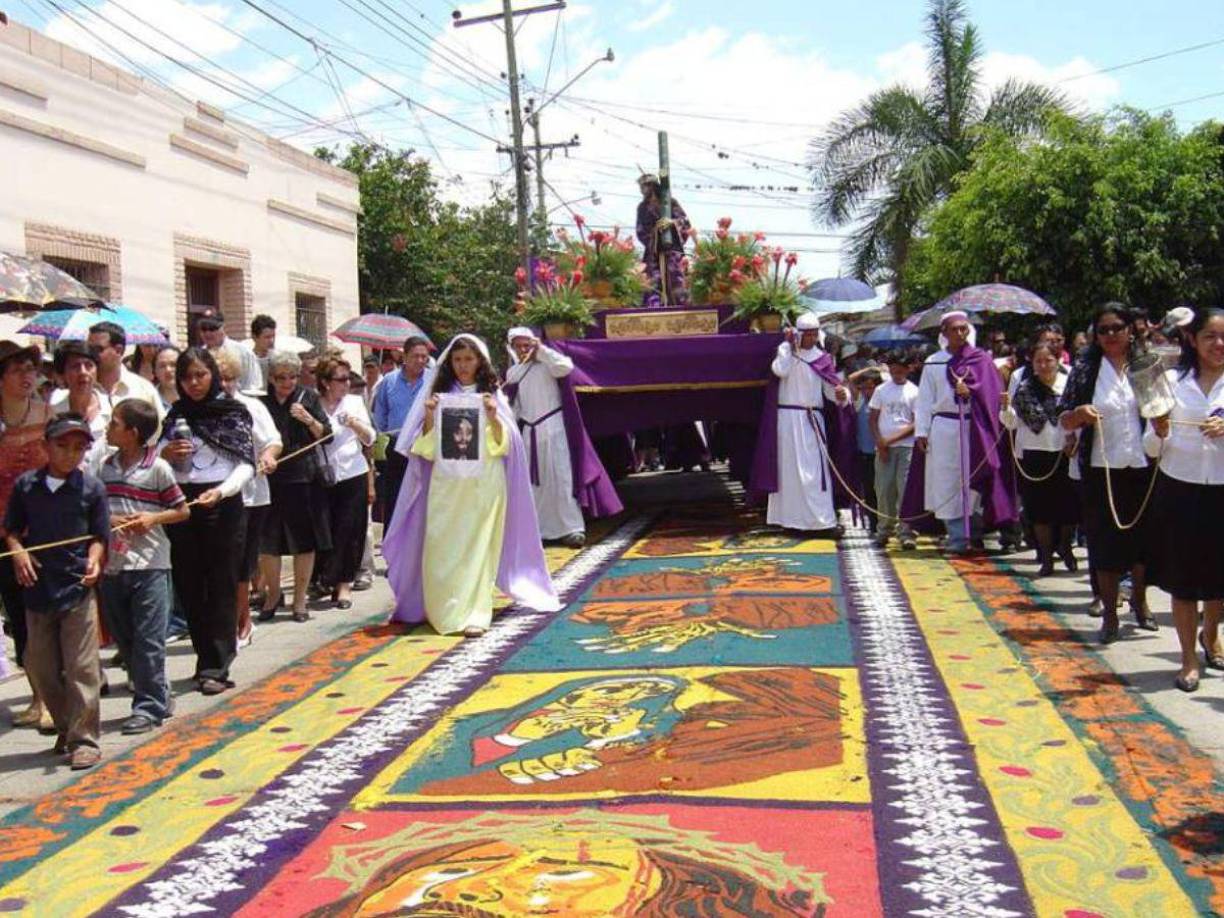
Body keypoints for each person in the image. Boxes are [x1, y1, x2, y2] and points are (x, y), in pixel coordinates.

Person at [382, 334, 559, 636]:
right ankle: (442, 610)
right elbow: (424, 447)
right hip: (446, 486)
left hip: (484, 485)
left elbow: (505, 445)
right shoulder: (438, 395)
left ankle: (476, 612)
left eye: (469, 359)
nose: (463, 366)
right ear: (450, 363)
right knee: (441, 547)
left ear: (480, 362)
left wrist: (491, 417)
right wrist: (428, 414)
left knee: (479, 547)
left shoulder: (491, 395)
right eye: (458, 360)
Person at [4, 413, 110, 769]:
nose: (70, 454)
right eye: (62, 446)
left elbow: (99, 536)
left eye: (79, 448)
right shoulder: (27, 487)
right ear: (46, 447)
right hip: (37, 588)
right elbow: (12, 530)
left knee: (82, 666)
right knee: (42, 665)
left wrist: (94, 559)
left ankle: (84, 738)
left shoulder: (91, 488)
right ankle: (65, 724)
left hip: (76, 586)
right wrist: (19, 552)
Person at [1059, 303, 1157, 643]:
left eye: (1117, 327)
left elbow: (1163, 413)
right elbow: (1064, 418)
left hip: (1144, 462)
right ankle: (1111, 614)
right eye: (1103, 330)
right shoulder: (1085, 370)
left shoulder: (1146, 366)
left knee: (1143, 539)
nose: (1111, 335)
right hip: (1101, 467)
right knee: (1104, 540)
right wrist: (1078, 415)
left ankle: (1142, 603)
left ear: (1131, 329)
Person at [161, 348, 255, 694]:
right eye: (187, 377)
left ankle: (217, 664)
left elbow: (247, 462)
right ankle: (203, 655)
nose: (194, 383)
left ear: (212, 374)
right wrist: (165, 453)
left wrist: (222, 491)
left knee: (220, 584)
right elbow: (155, 461)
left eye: (200, 375)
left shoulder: (232, 412)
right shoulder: (175, 415)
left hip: (222, 503)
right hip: (183, 504)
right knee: (189, 583)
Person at [98, 399, 190, 733]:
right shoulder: (105, 467)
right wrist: (112, 520)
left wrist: (153, 518)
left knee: (150, 638)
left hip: (151, 563)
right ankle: (159, 693)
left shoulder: (157, 469)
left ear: (133, 433)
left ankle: (147, 706)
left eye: (115, 423)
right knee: (126, 640)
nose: (109, 428)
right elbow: (95, 511)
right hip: (115, 565)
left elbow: (182, 510)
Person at [1145, 307, 1224, 692]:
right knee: (1184, 579)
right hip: (1181, 486)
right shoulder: (1172, 382)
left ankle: (1211, 634)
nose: (1219, 344)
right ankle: (1188, 658)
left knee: (1218, 578)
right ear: (1193, 339)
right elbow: (1151, 447)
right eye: (1210, 336)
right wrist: (1159, 430)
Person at [910, 311, 1016, 553]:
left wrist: (972, 394)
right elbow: (925, 399)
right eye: (954, 329)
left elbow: (992, 394)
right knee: (947, 483)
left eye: (963, 329)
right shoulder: (934, 361)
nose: (959, 333)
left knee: (974, 478)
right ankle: (957, 536)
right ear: (944, 332)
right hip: (944, 429)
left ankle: (976, 532)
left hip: (974, 427)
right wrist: (922, 431)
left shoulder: (980, 360)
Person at [0, 341, 55, 724]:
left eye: (30, 369)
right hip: (2, 531)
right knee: (17, 616)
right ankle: (38, 696)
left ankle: (49, 698)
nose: (26, 377)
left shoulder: (48, 415)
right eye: (17, 370)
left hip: (41, 529)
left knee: (41, 614)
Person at [212, 350, 281, 644]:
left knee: (242, 562)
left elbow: (273, 441)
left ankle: (242, 619)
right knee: (220, 562)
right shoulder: (200, 411)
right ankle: (225, 620)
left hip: (251, 496)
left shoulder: (251, 406)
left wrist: (268, 456)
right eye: (220, 379)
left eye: (230, 379)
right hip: (212, 495)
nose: (226, 385)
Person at [260, 350, 332, 623]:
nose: (287, 383)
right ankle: (273, 594)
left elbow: (326, 436)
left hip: (303, 478)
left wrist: (308, 419)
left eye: (292, 377)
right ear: (271, 377)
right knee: (269, 543)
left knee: (303, 541)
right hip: (271, 478)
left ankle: (300, 600)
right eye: (281, 377)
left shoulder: (308, 397)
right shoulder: (262, 402)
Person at [763, 313, 852, 534]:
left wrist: (842, 393)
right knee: (789, 471)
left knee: (814, 472)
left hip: (811, 419)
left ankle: (821, 521)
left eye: (814, 334)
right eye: (807, 334)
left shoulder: (822, 358)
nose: (811, 339)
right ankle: (791, 521)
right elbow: (780, 370)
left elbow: (831, 392)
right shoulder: (785, 352)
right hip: (787, 419)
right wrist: (789, 348)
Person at [1001, 342, 1077, 576]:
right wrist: (1005, 409)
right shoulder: (1024, 388)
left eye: (1048, 361)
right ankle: (1046, 557)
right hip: (1034, 452)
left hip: (1065, 451)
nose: (1044, 366)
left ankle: (1065, 545)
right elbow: (1011, 422)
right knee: (1039, 508)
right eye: (1038, 361)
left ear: (1058, 361)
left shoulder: (1069, 384)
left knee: (1069, 507)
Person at [504, 328, 585, 547]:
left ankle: (571, 528)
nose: (523, 350)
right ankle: (539, 531)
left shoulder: (548, 365)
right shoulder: (514, 373)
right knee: (534, 484)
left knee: (560, 477)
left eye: (526, 345)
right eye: (518, 346)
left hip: (553, 427)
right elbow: (515, 407)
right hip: (530, 432)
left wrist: (542, 351)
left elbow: (565, 367)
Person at [315, 354, 375, 609]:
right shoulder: (313, 403)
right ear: (326, 382)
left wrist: (356, 425)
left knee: (350, 530)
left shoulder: (354, 402)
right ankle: (326, 577)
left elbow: (370, 438)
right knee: (326, 530)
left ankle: (344, 585)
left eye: (348, 379)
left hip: (353, 472)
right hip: (323, 475)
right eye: (341, 379)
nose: (346, 384)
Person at [372, 336, 430, 528]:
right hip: (397, 447)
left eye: (424, 357)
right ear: (404, 356)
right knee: (394, 497)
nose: (420, 361)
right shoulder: (389, 381)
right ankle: (392, 543)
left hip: (425, 448)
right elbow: (380, 415)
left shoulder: (433, 380)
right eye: (416, 356)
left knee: (423, 498)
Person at [869, 351, 918, 549]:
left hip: (906, 446)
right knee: (884, 489)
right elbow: (872, 418)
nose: (897, 373)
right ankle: (884, 530)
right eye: (894, 369)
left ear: (907, 370)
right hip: (883, 447)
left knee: (905, 489)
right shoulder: (881, 390)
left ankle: (906, 531)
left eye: (901, 370)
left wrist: (891, 439)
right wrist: (881, 442)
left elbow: (915, 422)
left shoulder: (914, 391)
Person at [48, 341, 111, 475]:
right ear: (62, 374)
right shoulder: (52, 410)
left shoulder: (113, 410)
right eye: (75, 366)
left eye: (89, 365)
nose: (83, 372)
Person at [87, 321, 164, 420]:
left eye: (98, 349)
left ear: (118, 350)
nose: (91, 354)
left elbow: (162, 429)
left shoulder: (143, 390)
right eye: (89, 349)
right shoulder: (79, 389)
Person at [636, 172, 691, 307]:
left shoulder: (670, 203)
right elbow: (640, 230)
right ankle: (654, 311)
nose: (642, 190)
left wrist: (672, 223)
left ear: (653, 186)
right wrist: (656, 234)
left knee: (676, 281)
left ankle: (679, 310)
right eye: (641, 187)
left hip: (672, 252)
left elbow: (685, 222)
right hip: (653, 254)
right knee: (653, 283)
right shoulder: (642, 207)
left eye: (644, 186)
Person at [198, 309, 263, 393]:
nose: (207, 333)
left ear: (223, 327)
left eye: (212, 328)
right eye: (203, 329)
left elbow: (254, 385)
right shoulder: (199, 355)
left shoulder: (242, 352)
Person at [851, 369, 881, 536]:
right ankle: (874, 524)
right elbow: (851, 378)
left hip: (881, 452)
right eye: (865, 388)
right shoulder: (860, 401)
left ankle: (887, 522)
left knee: (883, 490)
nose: (868, 392)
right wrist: (871, 368)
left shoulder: (883, 400)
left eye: (871, 388)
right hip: (865, 453)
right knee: (869, 491)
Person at [249, 314, 277, 385]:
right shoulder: (248, 360)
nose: (271, 340)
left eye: (273, 336)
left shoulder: (277, 359)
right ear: (254, 337)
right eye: (267, 337)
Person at [153, 345, 181, 411]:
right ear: (155, 370)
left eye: (173, 365)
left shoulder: (194, 397)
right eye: (162, 366)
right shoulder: (149, 399)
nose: (168, 370)